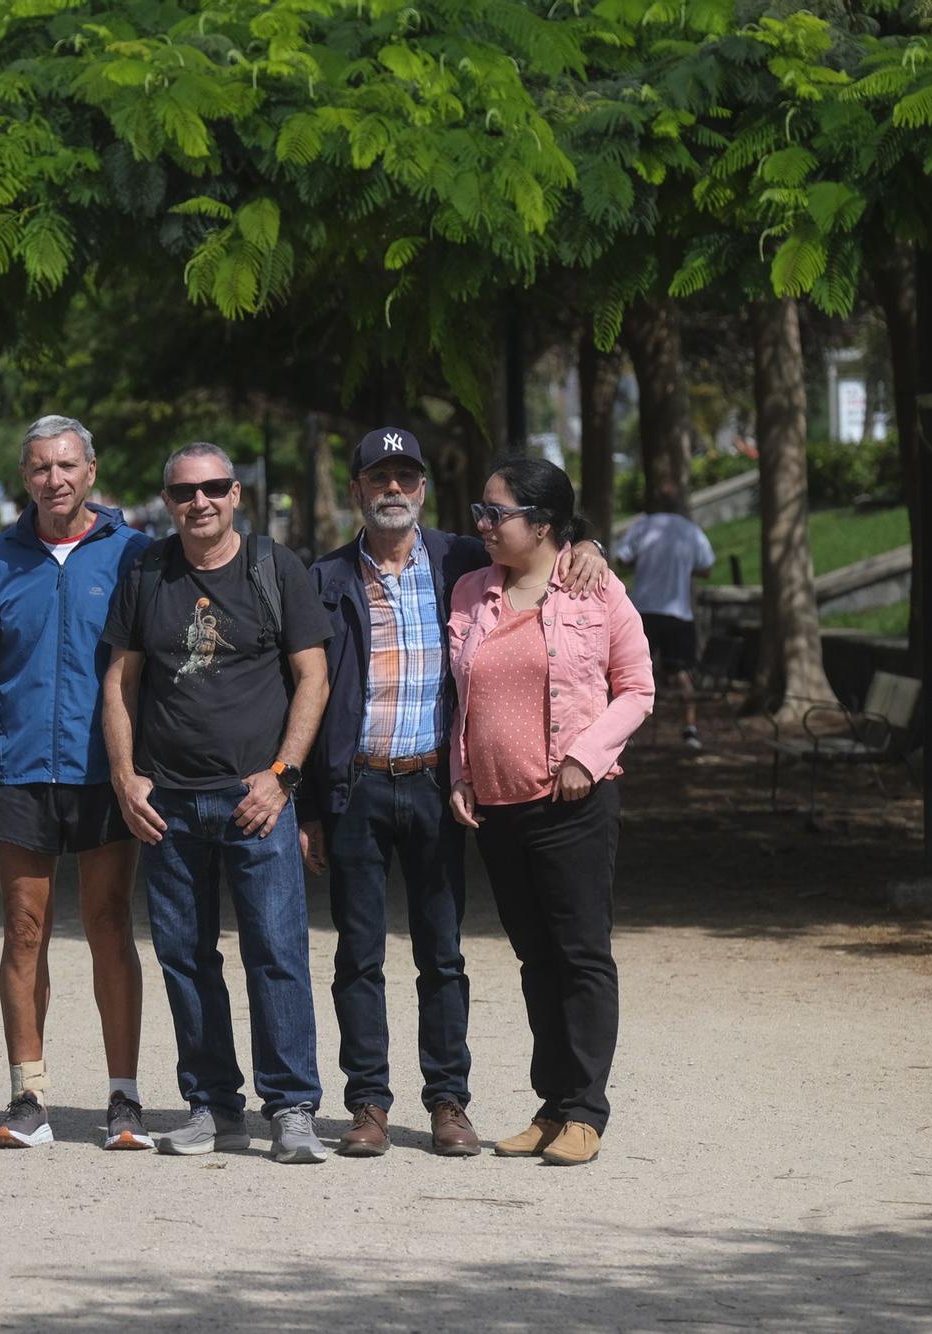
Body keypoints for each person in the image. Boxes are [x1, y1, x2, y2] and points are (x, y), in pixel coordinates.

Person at [302, 427, 606, 1159]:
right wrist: (309, 804)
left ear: (425, 489)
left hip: (437, 786)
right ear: (357, 491)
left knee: (442, 954)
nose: (394, 490)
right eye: (379, 478)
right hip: (358, 788)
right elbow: (305, 696)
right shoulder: (325, 579)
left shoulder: (463, 560)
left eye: (407, 477)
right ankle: (368, 1104)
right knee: (358, 956)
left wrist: (584, 545)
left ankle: (448, 1102)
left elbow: (540, 551)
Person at [101, 442, 333, 1165]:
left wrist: (283, 776)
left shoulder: (274, 566)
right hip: (169, 803)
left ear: (236, 494)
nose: (198, 502)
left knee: (277, 953)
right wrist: (125, 777)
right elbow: (120, 682)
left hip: (254, 799)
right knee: (184, 957)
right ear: (167, 501)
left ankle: (291, 1107)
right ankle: (211, 1106)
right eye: (183, 492)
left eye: (212, 489)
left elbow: (313, 677)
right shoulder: (146, 571)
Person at [446, 457, 654, 1168]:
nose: (482, 524)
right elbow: (462, 699)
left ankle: (586, 1110)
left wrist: (585, 757)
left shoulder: (595, 589)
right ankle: (552, 1103)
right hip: (499, 807)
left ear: (542, 525)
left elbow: (637, 689)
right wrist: (462, 774)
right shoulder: (473, 590)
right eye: (481, 510)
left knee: (581, 956)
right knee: (536, 958)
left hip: (572, 802)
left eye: (495, 513)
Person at [0, 415, 152, 1150]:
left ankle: (124, 1097)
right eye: (41, 468)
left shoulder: (136, 554)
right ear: (26, 478)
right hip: (18, 767)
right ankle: (29, 1096)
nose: (55, 480)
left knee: (111, 924)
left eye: (68, 466)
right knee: (23, 930)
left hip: (105, 771)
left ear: (91, 471)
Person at [614, 485, 715, 749]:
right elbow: (706, 568)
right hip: (678, 612)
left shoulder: (642, 527)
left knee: (632, 670)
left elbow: (623, 559)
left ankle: (626, 732)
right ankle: (690, 729)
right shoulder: (690, 530)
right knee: (682, 671)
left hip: (643, 610)